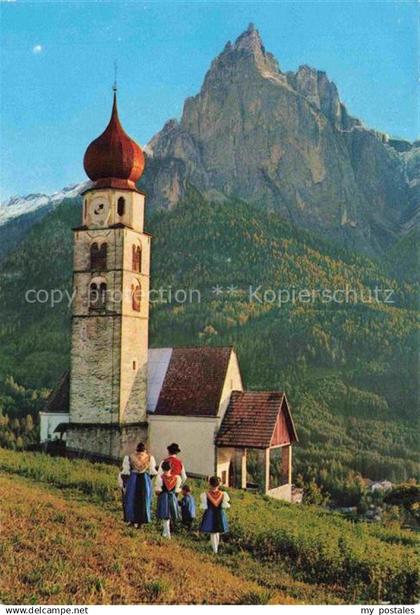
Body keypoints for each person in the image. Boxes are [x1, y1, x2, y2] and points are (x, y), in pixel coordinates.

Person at [123, 442, 157, 528]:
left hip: (133, 478)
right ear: (145, 450)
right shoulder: (149, 457)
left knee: (132, 498)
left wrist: (125, 481)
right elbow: (152, 471)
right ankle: (141, 522)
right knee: (144, 499)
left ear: (136, 449)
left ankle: (132, 520)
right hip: (145, 479)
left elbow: (126, 471)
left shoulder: (130, 457)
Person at [199, 476, 230, 554]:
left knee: (213, 532)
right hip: (219, 514)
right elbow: (223, 506)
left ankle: (215, 549)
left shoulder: (206, 494)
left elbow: (204, 506)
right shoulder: (223, 494)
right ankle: (216, 548)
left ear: (209, 484)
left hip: (210, 514)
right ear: (218, 484)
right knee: (217, 532)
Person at [156, 460, 181, 538]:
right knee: (169, 515)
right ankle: (164, 532)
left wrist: (158, 493)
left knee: (165, 515)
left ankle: (168, 534)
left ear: (162, 469)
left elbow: (158, 490)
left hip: (164, 497)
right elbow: (177, 490)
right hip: (172, 497)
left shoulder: (160, 478)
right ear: (171, 468)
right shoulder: (177, 478)